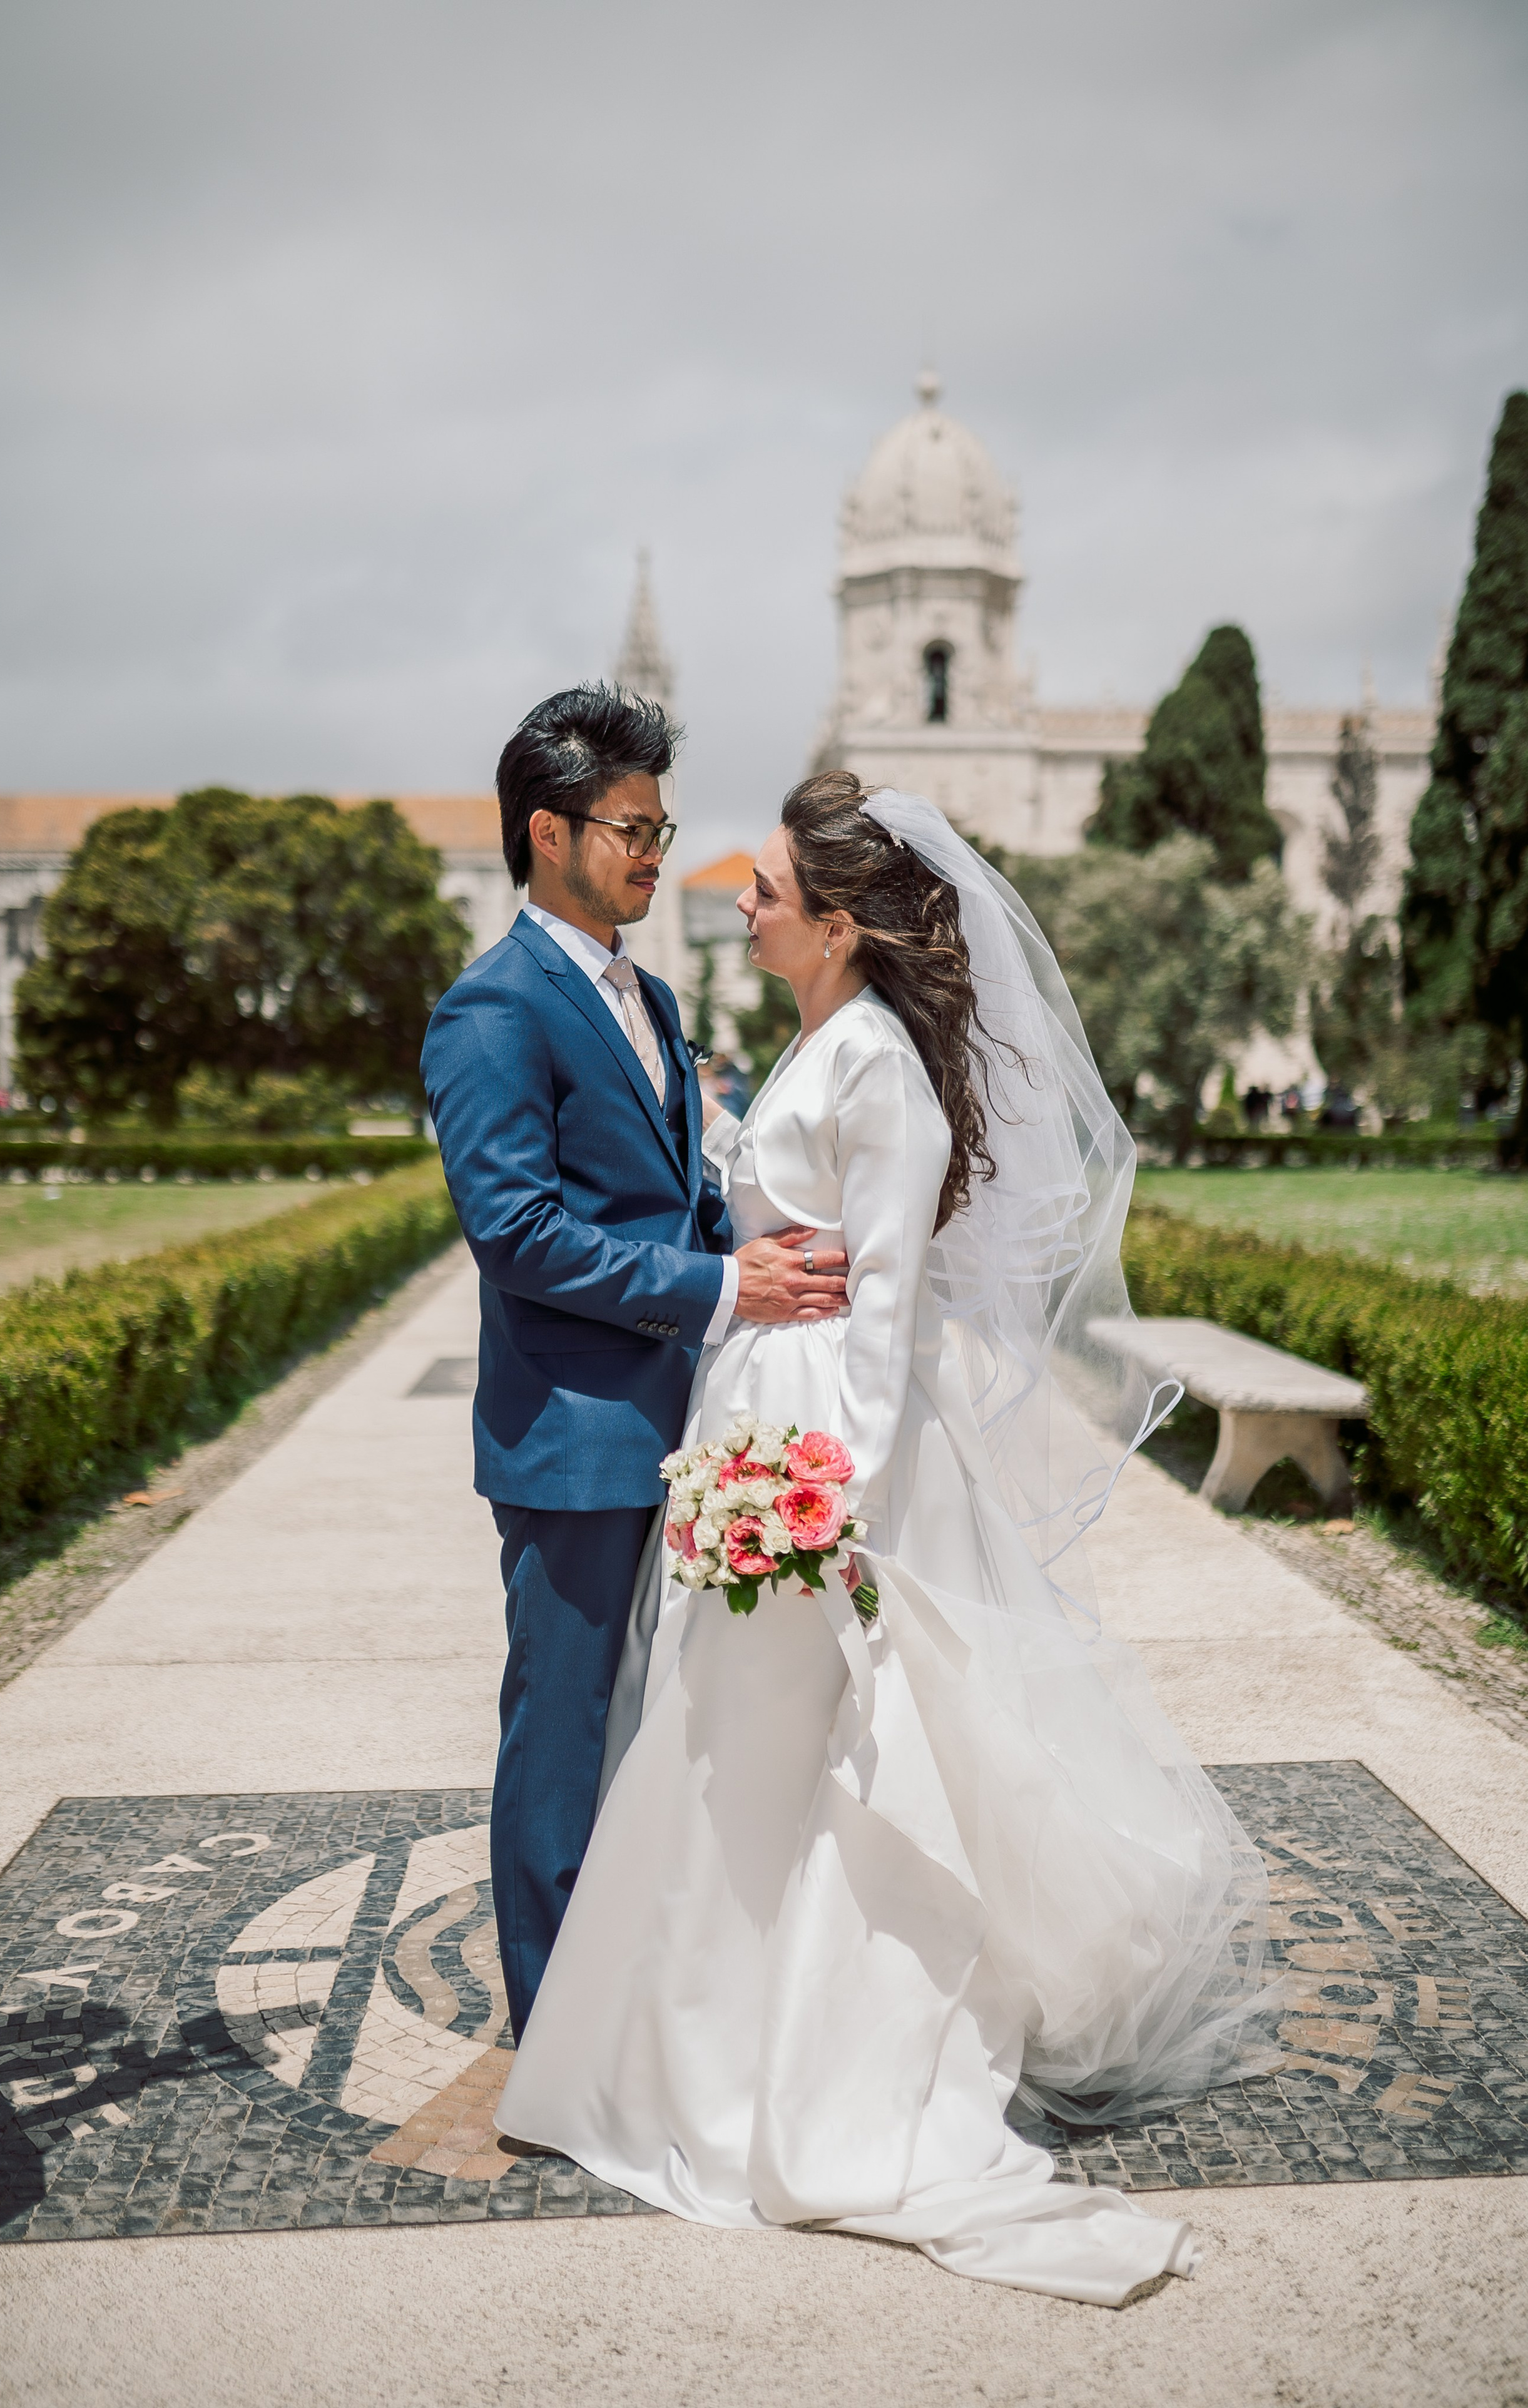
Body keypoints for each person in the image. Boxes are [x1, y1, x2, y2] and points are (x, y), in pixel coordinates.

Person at [496, 772, 1279, 2307]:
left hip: (812, 1462)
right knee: (741, 1756)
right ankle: (708, 2035)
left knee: (821, 1762)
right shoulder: (823, 1040)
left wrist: (820, 1508)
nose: (739, 893)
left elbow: (890, 1307)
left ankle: (809, 2061)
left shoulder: (879, 1072)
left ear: (841, 924)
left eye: (771, 884)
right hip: (757, 1422)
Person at [421, 687, 850, 2042]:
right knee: (559, 1726)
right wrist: (723, 1287)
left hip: (689, 1419)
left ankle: (654, 1982)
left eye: (664, 823)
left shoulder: (648, 997)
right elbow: (520, 1236)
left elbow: (680, 1188)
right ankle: (554, 2027)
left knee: (661, 1725)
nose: (657, 850)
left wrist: (801, 1264)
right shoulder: (491, 1010)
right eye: (632, 825)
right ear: (547, 831)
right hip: (571, 1434)